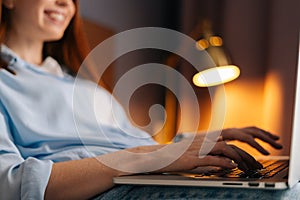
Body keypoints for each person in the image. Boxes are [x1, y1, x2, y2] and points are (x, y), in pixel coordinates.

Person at [0, 0, 283, 199]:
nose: (66, 4)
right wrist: (149, 157)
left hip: (144, 174)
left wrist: (193, 144)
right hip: (108, 189)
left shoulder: (83, 86)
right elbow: (10, 185)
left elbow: (136, 144)